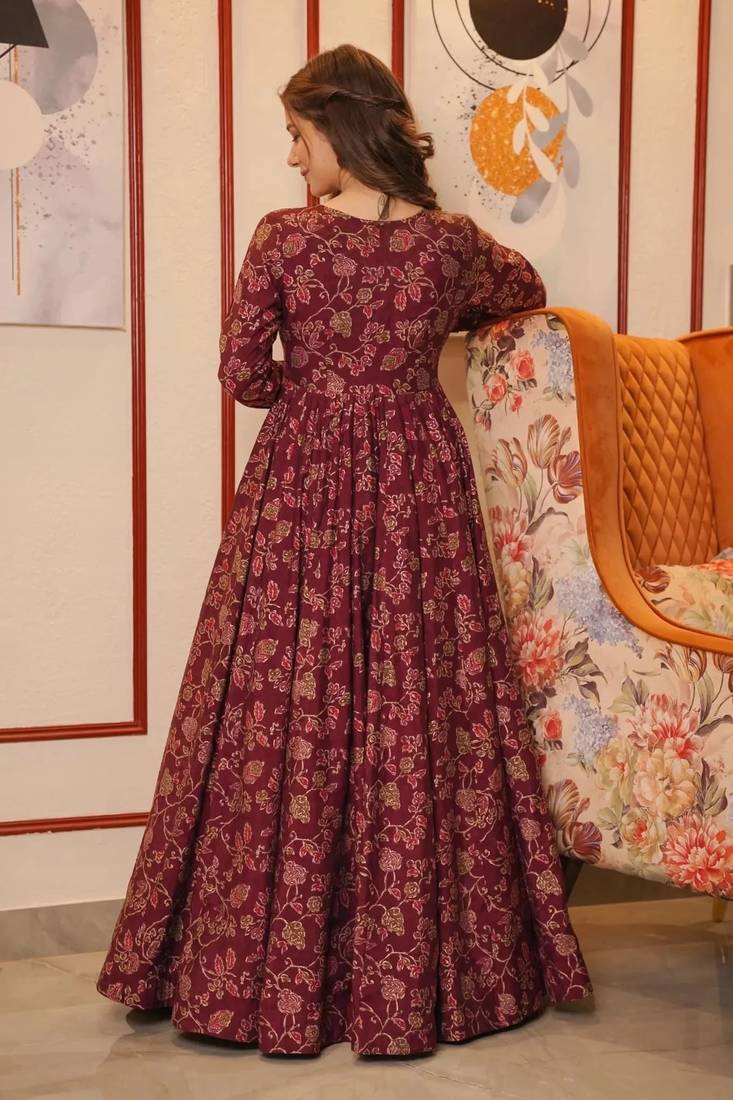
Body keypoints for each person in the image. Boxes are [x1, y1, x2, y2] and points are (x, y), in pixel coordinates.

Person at [96, 42, 593, 1057]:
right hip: (420, 482)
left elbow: (243, 373)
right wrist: (398, 379)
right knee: (422, 698)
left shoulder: (284, 239)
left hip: (303, 486)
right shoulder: (451, 244)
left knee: (284, 698)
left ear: (337, 126)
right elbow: (523, 286)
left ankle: (262, 977)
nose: (292, 157)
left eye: (297, 134)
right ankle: (422, 977)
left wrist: (324, 394)